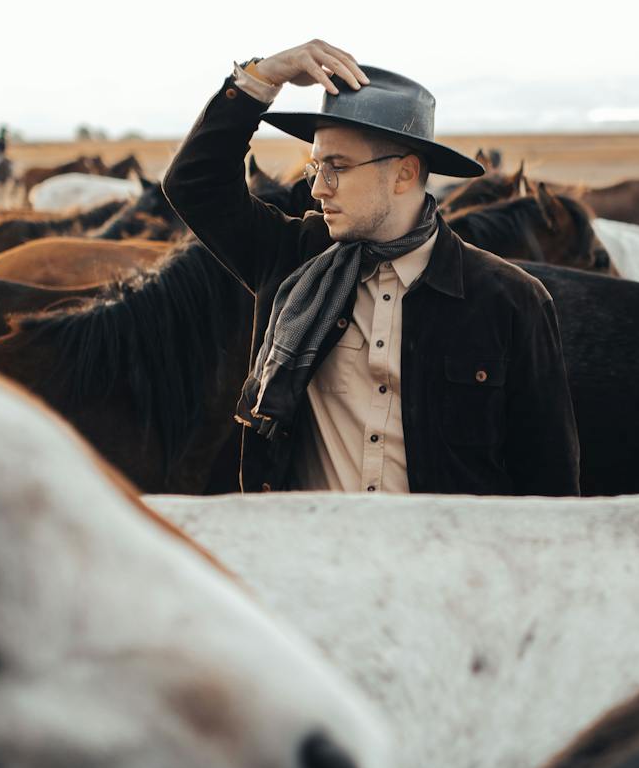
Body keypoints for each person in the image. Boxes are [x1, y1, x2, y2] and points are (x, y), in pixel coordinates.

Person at [162, 39, 580, 496]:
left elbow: (549, 487)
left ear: (403, 174)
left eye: (337, 167)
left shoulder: (510, 301)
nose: (319, 188)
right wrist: (262, 77)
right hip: (313, 557)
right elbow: (193, 184)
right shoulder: (293, 259)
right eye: (316, 167)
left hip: (443, 562)